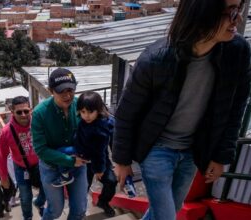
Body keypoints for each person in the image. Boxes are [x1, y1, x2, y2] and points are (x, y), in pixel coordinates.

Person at [112, 1, 251, 219]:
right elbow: (126, 113)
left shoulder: (237, 53)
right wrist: (121, 161)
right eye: (231, 12)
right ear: (203, 12)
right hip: (156, 148)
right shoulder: (156, 59)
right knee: (167, 216)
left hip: (192, 149)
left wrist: (221, 156)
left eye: (239, 10)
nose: (238, 19)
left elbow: (235, 108)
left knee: (169, 210)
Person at [32, 68, 89, 220]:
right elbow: (41, 150)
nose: (67, 95)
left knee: (79, 210)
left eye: (70, 90)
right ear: (51, 91)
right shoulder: (39, 114)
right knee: (55, 210)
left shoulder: (81, 107)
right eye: (61, 91)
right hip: (51, 167)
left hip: (77, 166)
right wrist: (69, 160)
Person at [51, 91, 117, 217]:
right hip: (83, 160)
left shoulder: (102, 127)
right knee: (82, 189)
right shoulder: (85, 121)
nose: (86, 116)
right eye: (83, 112)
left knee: (111, 181)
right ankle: (79, 210)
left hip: (99, 160)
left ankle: (103, 202)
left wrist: (99, 169)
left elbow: (99, 151)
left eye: (90, 112)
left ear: (98, 110)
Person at [0, 96, 46, 220]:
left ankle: (39, 203)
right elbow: (1, 155)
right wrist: (3, 177)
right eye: (19, 112)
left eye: (26, 111)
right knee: (25, 197)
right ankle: (28, 217)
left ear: (30, 110)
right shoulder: (6, 131)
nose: (23, 115)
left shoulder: (38, 122)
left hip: (39, 164)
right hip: (21, 167)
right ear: (12, 112)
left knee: (48, 188)